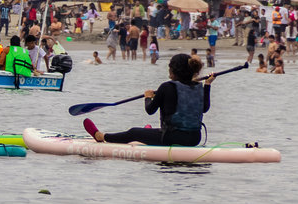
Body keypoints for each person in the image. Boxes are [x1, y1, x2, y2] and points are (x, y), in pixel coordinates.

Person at [84, 52, 212, 146]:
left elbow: (150, 110)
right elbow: (205, 108)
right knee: (152, 132)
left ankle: (101, 136)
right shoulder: (198, 87)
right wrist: (207, 85)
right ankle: (147, 132)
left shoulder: (166, 87)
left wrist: (147, 98)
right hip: (195, 139)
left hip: (170, 138)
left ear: (173, 70)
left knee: (133, 132)